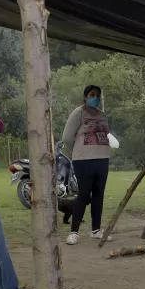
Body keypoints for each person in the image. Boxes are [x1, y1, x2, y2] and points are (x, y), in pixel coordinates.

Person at [63, 85, 112, 245]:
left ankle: (96, 230)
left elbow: (106, 133)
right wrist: (80, 149)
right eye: (92, 95)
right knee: (84, 194)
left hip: (102, 158)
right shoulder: (78, 113)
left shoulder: (102, 115)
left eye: (98, 95)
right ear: (85, 97)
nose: (95, 98)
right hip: (83, 160)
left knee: (99, 194)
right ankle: (74, 232)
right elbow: (67, 137)